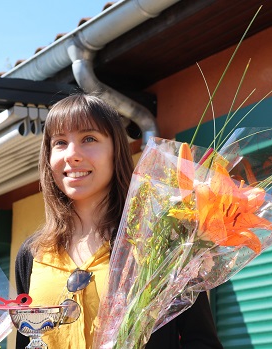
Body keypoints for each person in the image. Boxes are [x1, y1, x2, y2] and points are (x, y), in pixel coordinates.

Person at [14, 93, 223, 349]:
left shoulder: (161, 244)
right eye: (59, 142)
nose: (72, 154)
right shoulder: (32, 254)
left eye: (89, 138)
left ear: (116, 150)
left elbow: (201, 342)